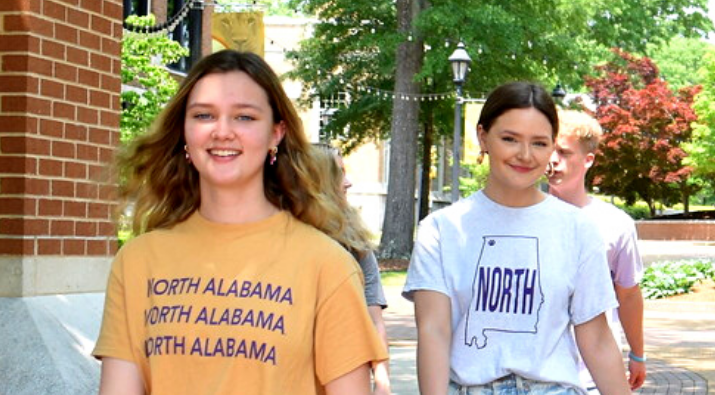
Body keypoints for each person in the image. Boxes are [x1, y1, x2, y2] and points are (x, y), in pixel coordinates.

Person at [95, 49, 387, 395]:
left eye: (244, 117)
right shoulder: (137, 262)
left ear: (276, 133)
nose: (222, 131)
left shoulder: (327, 266)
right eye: (204, 115)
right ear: (184, 132)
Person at [404, 82, 630, 395]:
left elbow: (597, 338)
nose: (525, 155)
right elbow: (433, 332)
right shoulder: (440, 230)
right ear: (483, 137)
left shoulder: (578, 229)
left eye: (539, 143)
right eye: (510, 139)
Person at [544, 109, 647, 390]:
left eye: (564, 152)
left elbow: (628, 294)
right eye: (548, 149)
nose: (553, 159)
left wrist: (637, 354)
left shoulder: (616, 224)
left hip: (592, 376)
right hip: (536, 376)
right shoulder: (522, 217)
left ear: (588, 160)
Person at [316, 142, 394, 395]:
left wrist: (382, 382)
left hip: (347, 372)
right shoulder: (287, 239)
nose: (348, 183)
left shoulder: (356, 243)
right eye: (339, 174)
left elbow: (374, 320)